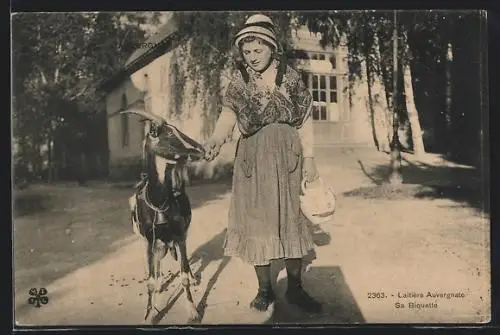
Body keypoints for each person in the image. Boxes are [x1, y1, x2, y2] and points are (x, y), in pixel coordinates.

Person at [204, 14, 322, 313]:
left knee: (291, 219)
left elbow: (305, 121)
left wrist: (309, 158)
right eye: (247, 52)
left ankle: (295, 290)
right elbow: (228, 115)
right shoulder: (239, 82)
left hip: (288, 158)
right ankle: (265, 289)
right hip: (253, 159)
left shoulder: (292, 79)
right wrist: (217, 139)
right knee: (257, 220)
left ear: (272, 48)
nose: (252, 57)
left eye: (258, 50)